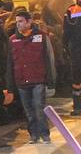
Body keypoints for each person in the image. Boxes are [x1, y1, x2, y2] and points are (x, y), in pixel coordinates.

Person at [7, 9, 56, 143]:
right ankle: (33, 134)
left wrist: (50, 80)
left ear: (29, 21)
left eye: (21, 21)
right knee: (28, 110)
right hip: (21, 80)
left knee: (39, 107)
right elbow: (10, 63)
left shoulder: (41, 36)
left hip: (38, 78)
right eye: (17, 22)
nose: (18, 24)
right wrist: (10, 86)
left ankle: (44, 134)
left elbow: (48, 58)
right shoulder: (12, 40)